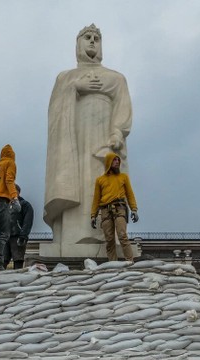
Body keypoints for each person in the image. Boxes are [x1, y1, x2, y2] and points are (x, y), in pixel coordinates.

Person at [43, 24, 132, 258]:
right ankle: (72, 237)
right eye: (87, 38)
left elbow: (122, 106)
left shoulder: (115, 78)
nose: (92, 41)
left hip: (104, 139)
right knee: (79, 184)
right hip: (75, 141)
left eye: (96, 38)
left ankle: (106, 238)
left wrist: (116, 133)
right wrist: (75, 88)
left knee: (103, 181)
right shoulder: (66, 77)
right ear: (78, 44)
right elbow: (54, 114)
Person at [90, 152, 138, 263]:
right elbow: (96, 199)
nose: (117, 162)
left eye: (118, 160)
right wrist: (93, 215)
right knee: (109, 239)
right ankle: (113, 264)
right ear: (109, 162)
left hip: (119, 208)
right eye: (114, 160)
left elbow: (130, 194)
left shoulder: (123, 177)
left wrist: (134, 209)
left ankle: (130, 262)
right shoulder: (100, 180)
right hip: (105, 210)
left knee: (122, 235)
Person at [4, 184, 33, 269]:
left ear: (18, 192)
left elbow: (28, 221)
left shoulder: (25, 205)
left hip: (17, 236)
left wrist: (23, 236)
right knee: (2, 260)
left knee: (18, 260)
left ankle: (17, 279)